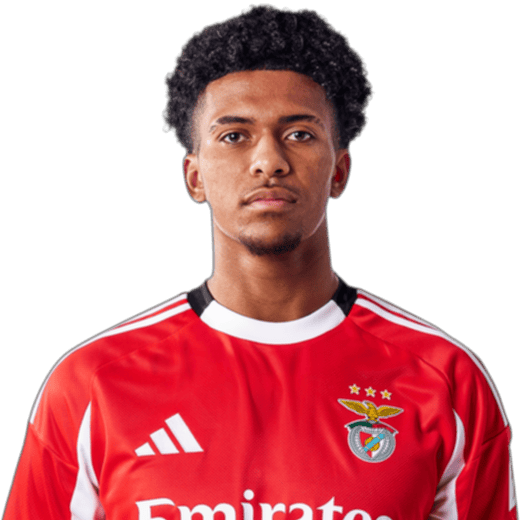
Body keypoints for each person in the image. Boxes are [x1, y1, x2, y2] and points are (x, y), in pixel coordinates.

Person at [3, 5, 516, 520]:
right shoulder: (92, 384)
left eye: (299, 134)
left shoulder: (445, 379)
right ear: (195, 177)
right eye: (234, 135)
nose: (269, 161)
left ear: (339, 172)